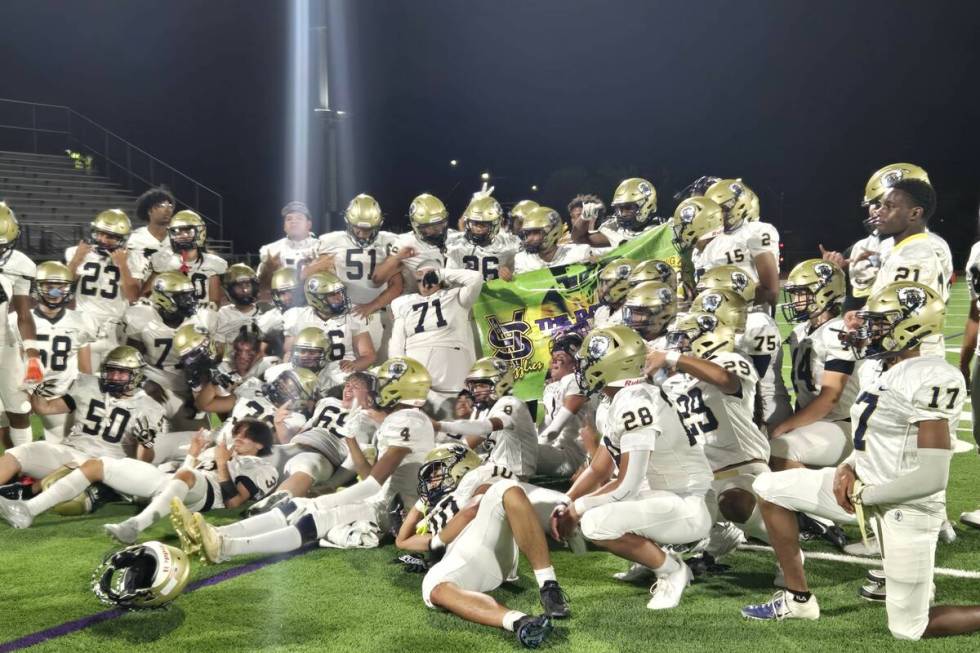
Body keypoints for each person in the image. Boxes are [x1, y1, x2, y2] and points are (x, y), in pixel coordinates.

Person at [740, 282, 980, 641]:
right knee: (768, 486)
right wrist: (849, 465)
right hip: (861, 490)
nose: (870, 331)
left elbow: (932, 477)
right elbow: (867, 437)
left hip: (906, 507)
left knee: (909, 628)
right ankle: (798, 597)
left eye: (880, 323)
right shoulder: (876, 368)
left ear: (910, 326)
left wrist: (865, 495)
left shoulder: (933, 376)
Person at [171, 357, 437, 558]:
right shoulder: (402, 419)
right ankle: (217, 534)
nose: (377, 387)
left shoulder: (408, 420)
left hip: (397, 512)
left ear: (398, 388)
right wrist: (351, 439)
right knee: (295, 508)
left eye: (383, 383)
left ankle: (225, 547)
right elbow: (370, 476)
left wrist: (327, 498)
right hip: (383, 501)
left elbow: (372, 484)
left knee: (315, 516)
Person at [553, 326, 713, 610]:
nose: (583, 369)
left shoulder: (634, 401)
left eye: (588, 362)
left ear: (611, 364)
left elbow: (627, 484)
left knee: (596, 522)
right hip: (668, 496)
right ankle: (654, 558)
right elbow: (601, 467)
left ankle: (672, 571)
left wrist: (577, 511)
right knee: (604, 502)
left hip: (687, 503)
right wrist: (567, 500)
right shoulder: (621, 398)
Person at [396, 445, 569, 648]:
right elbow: (402, 541)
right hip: (464, 559)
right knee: (434, 588)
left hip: (487, 542)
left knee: (506, 489)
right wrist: (422, 507)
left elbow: (474, 508)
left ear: (461, 467)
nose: (432, 481)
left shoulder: (478, 477)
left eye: (436, 472)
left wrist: (439, 540)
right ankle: (519, 621)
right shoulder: (440, 507)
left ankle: (548, 586)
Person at [0, 347, 167, 528]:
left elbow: (144, 462)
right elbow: (46, 408)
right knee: (24, 451)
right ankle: (21, 492)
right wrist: (38, 390)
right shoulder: (88, 385)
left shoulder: (150, 407)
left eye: (122, 373)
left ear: (136, 375)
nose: (114, 377)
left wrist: (146, 443)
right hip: (72, 450)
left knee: (70, 503)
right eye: (111, 371)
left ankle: (25, 496)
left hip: (105, 466)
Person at [34, 418, 275, 542]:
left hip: (208, 496)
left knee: (185, 475)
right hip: (177, 483)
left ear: (261, 444)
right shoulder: (215, 451)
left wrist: (222, 463)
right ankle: (28, 509)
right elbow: (183, 477)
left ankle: (134, 526)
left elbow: (234, 502)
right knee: (101, 464)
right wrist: (193, 453)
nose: (239, 438)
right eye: (238, 433)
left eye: (248, 435)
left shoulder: (260, 466)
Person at [649, 311, 771, 556]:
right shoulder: (675, 383)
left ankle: (788, 543)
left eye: (685, 339)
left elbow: (724, 379)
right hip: (703, 475)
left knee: (734, 502)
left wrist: (673, 358)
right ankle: (714, 537)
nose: (679, 346)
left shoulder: (731, 359)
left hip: (743, 467)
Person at [769, 259, 858, 470]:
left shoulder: (838, 332)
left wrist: (786, 425)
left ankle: (826, 499)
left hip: (839, 423)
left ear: (825, 293)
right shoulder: (799, 332)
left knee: (778, 450)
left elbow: (830, 397)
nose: (795, 300)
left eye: (802, 293)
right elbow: (804, 395)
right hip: (815, 423)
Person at [694, 265, 791, 430]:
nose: (704, 301)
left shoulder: (757, 322)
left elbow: (752, 377)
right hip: (732, 407)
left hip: (763, 411)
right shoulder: (717, 324)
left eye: (711, 297)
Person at [309, 194, 403, 353]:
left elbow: (397, 285)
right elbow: (319, 279)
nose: (361, 233)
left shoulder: (391, 242)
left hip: (379, 313)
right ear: (348, 222)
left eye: (367, 229)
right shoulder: (331, 241)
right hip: (341, 314)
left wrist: (372, 305)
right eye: (357, 228)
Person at [124, 271, 217, 430]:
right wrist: (143, 382)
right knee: (144, 432)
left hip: (187, 386)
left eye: (190, 295)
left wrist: (196, 394)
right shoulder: (142, 315)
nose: (190, 301)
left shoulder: (204, 317)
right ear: (163, 298)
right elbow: (130, 359)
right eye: (182, 297)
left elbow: (209, 364)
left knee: (198, 436)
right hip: (154, 383)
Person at [389, 262, 482, 415]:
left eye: (429, 279)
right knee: (416, 415)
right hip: (415, 361)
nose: (425, 285)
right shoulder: (401, 303)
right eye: (420, 280)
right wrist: (397, 368)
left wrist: (441, 273)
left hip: (451, 361)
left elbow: (476, 278)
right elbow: (397, 340)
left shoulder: (456, 296)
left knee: (455, 415)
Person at [20, 261, 97, 442]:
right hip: (24, 391)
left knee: (63, 448)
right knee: (16, 443)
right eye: (49, 286)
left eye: (61, 286)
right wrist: (25, 393)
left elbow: (85, 369)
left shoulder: (82, 320)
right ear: (37, 287)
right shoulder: (17, 319)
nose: (55, 292)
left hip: (61, 395)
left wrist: (84, 396)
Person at [65, 208, 144, 370]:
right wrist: (76, 260)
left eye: (110, 237)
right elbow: (64, 286)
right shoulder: (76, 252)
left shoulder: (133, 258)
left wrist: (122, 265)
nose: (102, 239)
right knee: (85, 379)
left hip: (115, 326)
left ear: (123, 239)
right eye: (100, 234)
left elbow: (133, 297)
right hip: (84, 321)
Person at [435, 357, 538, 480]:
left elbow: (486, 426)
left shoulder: (510, 402)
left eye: (482, 385)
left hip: (511, 475)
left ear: (501, 383)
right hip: (496, 470)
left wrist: (440, 426)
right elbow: (466, 444)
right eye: (474, 386)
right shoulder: (490, 410)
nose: (476, 391)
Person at [282, 271, 376, 391]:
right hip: (308, 370)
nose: (339, 298)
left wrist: (355, 365)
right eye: (333, 295)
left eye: (340, 293)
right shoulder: (297, 317)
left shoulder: (353, 314)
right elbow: (289, 353)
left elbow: (369, 355)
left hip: (341, 371)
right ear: (316, 298)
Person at [703, 179, 780, 308]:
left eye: (724, 208)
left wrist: (729, 303)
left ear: (739, 202)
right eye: (716, 210)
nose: (720, 214)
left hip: (754, 317)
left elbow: (770, 291)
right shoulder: (712, 244)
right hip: (723, 317)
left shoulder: (756, 231)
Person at [373, 193, 453, 293]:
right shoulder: (405, 243)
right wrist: (396, 257)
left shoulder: (453, 237)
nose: (439, 231)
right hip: (415, 303)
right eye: (431, 227)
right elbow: (377, 280)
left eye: (441, 224)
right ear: (416, 226)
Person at [535, 331, 590, 478]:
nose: (554, 362)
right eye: (553, 358)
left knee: (519, 452)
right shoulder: (550, 388)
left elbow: (555, 429)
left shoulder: (576, 380)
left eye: (560, 358)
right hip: (556, 451)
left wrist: (532, 448)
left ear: (576, 363)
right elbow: (546, 427)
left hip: (573, 455)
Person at [146, 210, 228, 306]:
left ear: (200, 232)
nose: (183, 235)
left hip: (201, 317)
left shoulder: (212, 263)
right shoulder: (163, 261)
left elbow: (214, 303)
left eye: (189, 231)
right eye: (177, 231)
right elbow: (147, 294)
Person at [448, 195, 520, 282]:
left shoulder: (508, 244)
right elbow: (449, 279)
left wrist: (510, 277)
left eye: (484, 224)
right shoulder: (458, 245)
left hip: (495, 294)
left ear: (496, 224)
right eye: (475, 223)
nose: (478, 229)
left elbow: (521, 275)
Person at [256, 201, 320, 290]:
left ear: (309, 224)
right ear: (284, 226)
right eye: (289, 219)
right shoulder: (271, 250)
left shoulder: (322, 247)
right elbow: (261, 285)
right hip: (280, 300)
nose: (294, 222)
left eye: (299, 218)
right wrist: (268, 272)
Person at [514, 206, 593, 274]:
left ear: (553, 231)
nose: (529, 239)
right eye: (527, 234)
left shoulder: (579, 253)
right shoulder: (522, 260)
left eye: (535, 232)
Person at [129, 187, 175, 258]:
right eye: (161, 206)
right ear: (150, 211)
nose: (167, 210)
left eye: (170, 206)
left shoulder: (177, 238)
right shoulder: (135, 239)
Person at [592, 258, 638, 328]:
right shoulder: (601, 312)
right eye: (602, 282)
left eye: (607, 283)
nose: (602, 288)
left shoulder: (639, 314)